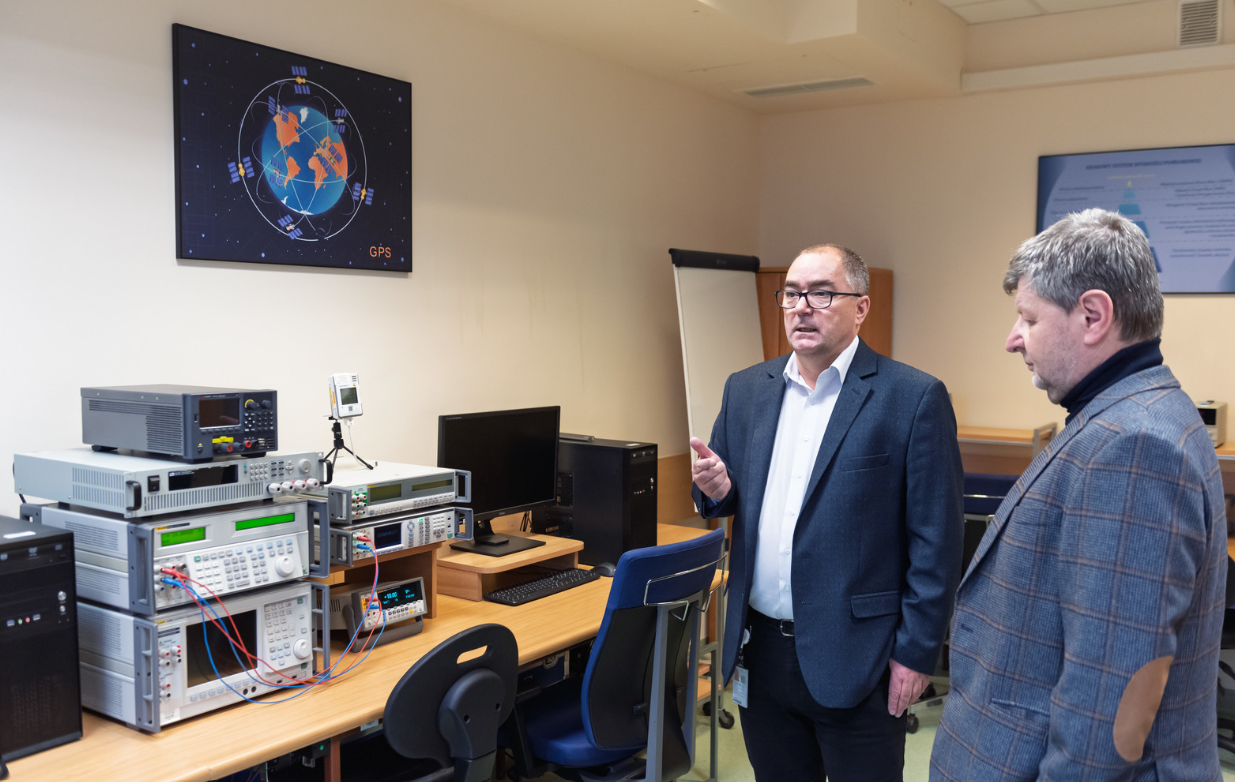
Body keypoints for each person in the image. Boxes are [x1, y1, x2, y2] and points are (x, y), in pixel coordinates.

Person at [931, 209, 1228, 781]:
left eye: (1028, 318)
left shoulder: (1134, 446)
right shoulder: (1128, 414)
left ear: (1093, 315)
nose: (1012, 339)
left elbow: (1106, 711)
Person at [691, 243, 964, 782]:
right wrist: (717, 491)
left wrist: (916, 654)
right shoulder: (746, 390)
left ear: (861, 307)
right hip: (760, 652)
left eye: (821, 294)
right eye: (792, 294)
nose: (801, 307)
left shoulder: (912, 398)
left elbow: (937, 542)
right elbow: (723, 495)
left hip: (859, 656)